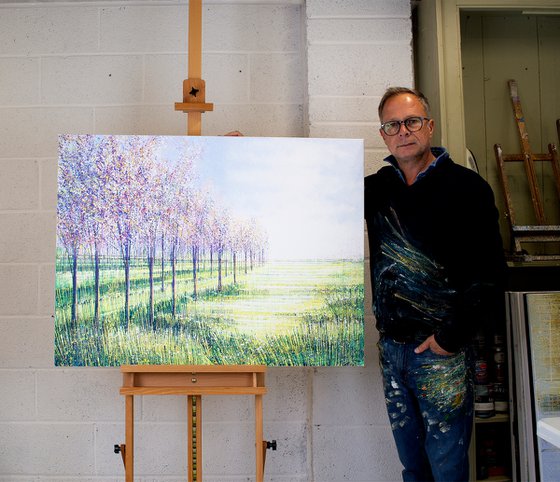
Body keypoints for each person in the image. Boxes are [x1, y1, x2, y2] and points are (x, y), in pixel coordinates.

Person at [364, 87, 506, 481]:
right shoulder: (375, 190)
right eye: (392, 125)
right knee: (413, 468)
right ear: (383, 135)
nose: (403, 131)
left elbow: (491, 275)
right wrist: (247, 153)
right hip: (392, 350)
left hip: (439, 352)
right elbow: (309, 192)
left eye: (411, 121)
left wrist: (449, 338)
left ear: (429, 126)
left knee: (447, 471)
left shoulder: (467, 189)